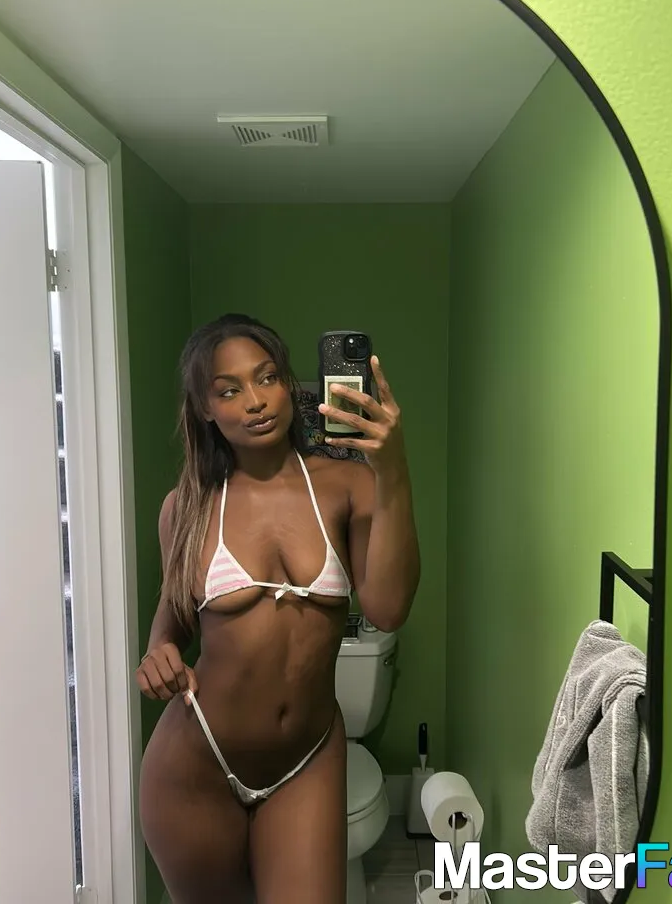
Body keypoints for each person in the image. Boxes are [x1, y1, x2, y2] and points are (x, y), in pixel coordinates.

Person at [137, 314, 420, 904]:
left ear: (290, 384)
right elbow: (175, 613)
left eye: (267, 378)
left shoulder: (348, 486)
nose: (255, 401)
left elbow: (389, 609)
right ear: (205, 408)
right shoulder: (186, 506)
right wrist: (158, 649)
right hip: (196, 763)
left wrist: (392, 468)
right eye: (229, 390)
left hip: (307, 760)